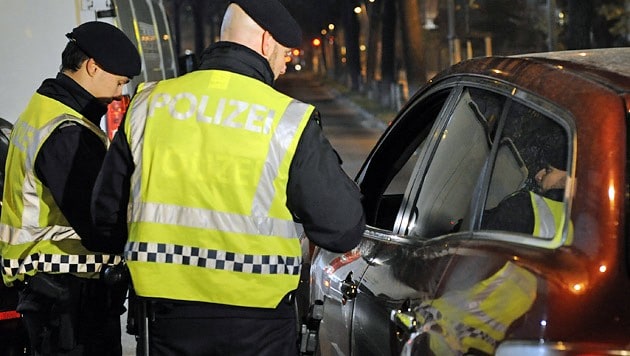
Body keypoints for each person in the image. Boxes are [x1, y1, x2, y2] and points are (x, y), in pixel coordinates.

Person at [90, 0, 366, 355]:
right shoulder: (285, 119)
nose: (284, 64)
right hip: (259, 327)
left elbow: (105, 221)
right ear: (266, 42)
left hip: (165, 322)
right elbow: (342, 229)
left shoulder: (148, 105)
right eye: (284, 53)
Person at [0, 21, 141, 355]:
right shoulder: (66, 132)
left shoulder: (46, 110)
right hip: (67, 298)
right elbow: (99, 222)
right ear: (93, 67)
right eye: (120, 81)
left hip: (53, 293)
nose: (121, 92)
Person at [482, 144, 568, 238]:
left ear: (569, 177)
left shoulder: (524, 206)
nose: (538, 177)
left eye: (548, 171)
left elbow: (478, 233)